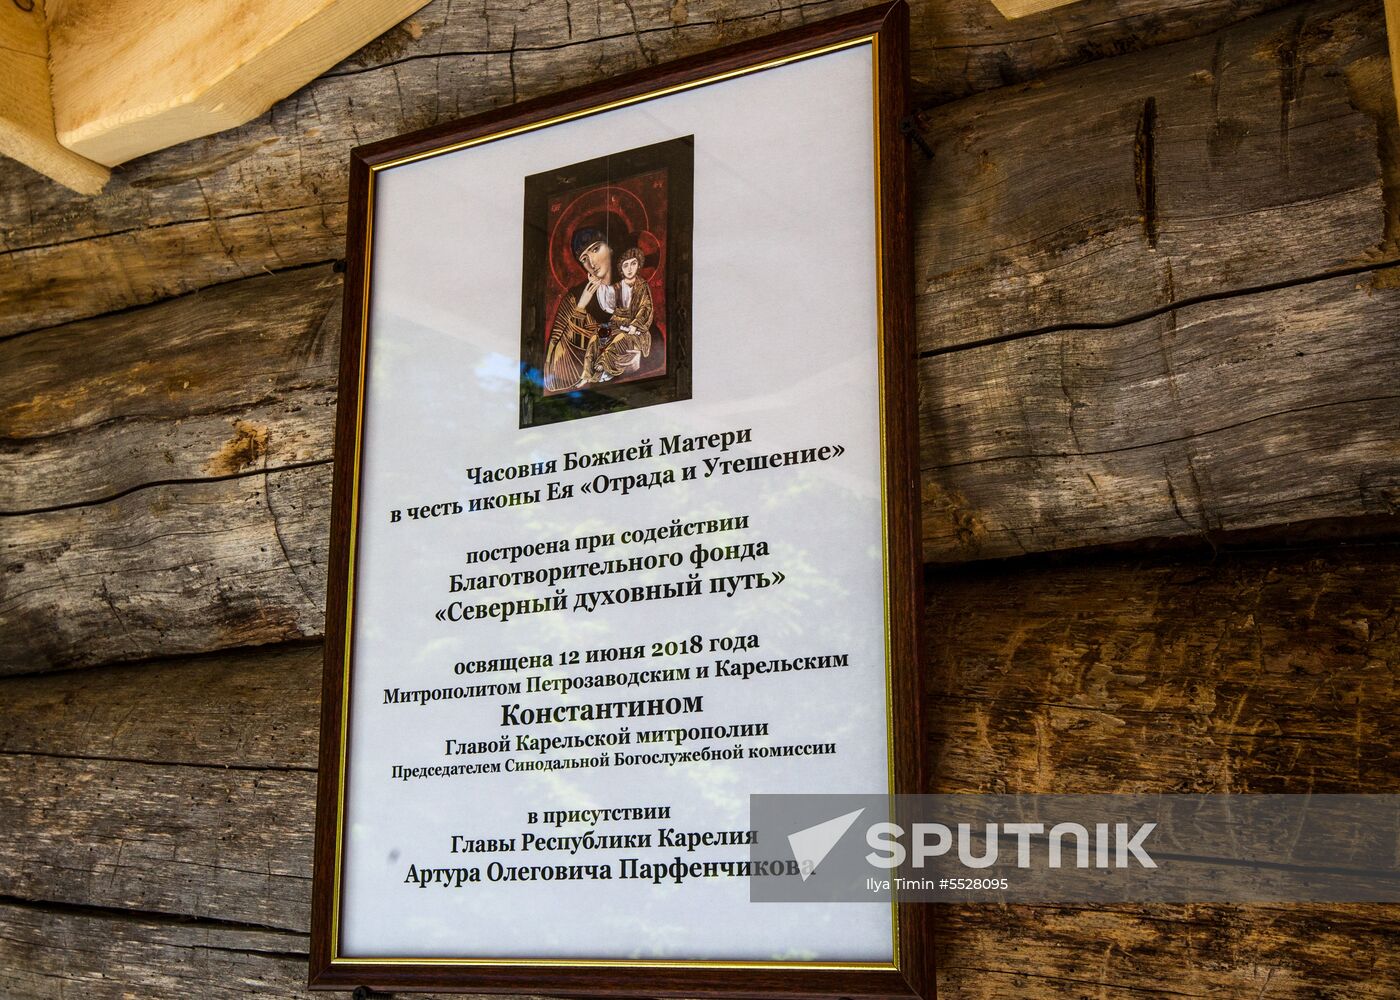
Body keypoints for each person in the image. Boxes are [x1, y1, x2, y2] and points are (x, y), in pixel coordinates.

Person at [542, 226, 615, 393]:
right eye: (584, 259)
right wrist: (581, 307)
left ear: (610, 247)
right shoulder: (575, 298)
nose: (592, 263)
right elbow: (552, 373)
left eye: (596, 249)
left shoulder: (633, 287)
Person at [581, 246, 653, 383]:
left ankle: (604, 365)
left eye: (633, 263)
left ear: (638, 265)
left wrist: (635, 325)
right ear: (621, 269)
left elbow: (646, 307)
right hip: (617, 325)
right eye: (626, 265)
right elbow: (608, 305)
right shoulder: (618, 286)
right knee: (596, 336)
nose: (630, 268)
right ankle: (586, 373)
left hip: (636, 330)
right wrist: (598, 281)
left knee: (620, 337)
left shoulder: (642, 286)